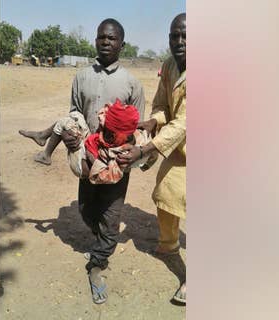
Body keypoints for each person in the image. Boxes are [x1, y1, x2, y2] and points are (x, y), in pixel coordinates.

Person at [52, 18, 146, 304]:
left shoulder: (132, 82)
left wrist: (130, 153)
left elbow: (138, 127)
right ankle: (99, 238)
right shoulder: (81, 76)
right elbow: (74, 114)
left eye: (112, 38)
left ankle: (96, 265)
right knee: (85, 209)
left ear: (121, 43)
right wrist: (71, 137)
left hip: (116, 163)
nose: (106, 42)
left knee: (110, 217)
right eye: (101, 38)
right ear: (95, 40)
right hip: (86, 156)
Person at [117, 12, 187, 304]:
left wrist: (146, 149)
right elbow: (162, 106)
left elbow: (185, 122)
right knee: (165, 193)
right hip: (181, 149)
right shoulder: (170, 65)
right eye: (174, 36)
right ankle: (169, 245)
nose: (180, 41)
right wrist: (151, 122)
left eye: (186, 35)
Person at [19, 99, 156, 183]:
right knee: (75, 115)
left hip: (81, 165)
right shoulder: (127, 135)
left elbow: (104, 175)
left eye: (110, 131)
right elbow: (107, 115)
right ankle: (43, 137)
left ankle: (46, 154)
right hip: (88, 145)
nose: (105, 132)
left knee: (64, 123)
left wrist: (89, 153)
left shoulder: (123, 153)